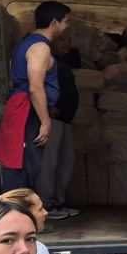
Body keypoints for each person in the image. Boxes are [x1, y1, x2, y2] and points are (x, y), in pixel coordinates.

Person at [0, 0, 71, 192]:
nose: (67, 26)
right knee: (22, 165)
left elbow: (14, 81)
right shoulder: (40, 47)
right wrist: (46, 121)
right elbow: (35, 87)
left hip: (21, 106)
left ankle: (19, 215)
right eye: (66, 21)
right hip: (26, 109)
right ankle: (14, 217)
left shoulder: (24, 44)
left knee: (24, 162)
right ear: (55, 22)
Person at [38, 31, 80, 221]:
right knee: (49, 162)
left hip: (66, 120)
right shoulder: (47, 60)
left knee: (66, 161)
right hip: (52, 118)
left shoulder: (63, 64)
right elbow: (36, 84)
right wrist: (47, 107)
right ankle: (46, 203)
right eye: (62, 39)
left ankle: (58, 201)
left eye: (69, 39)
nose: (67, 43)